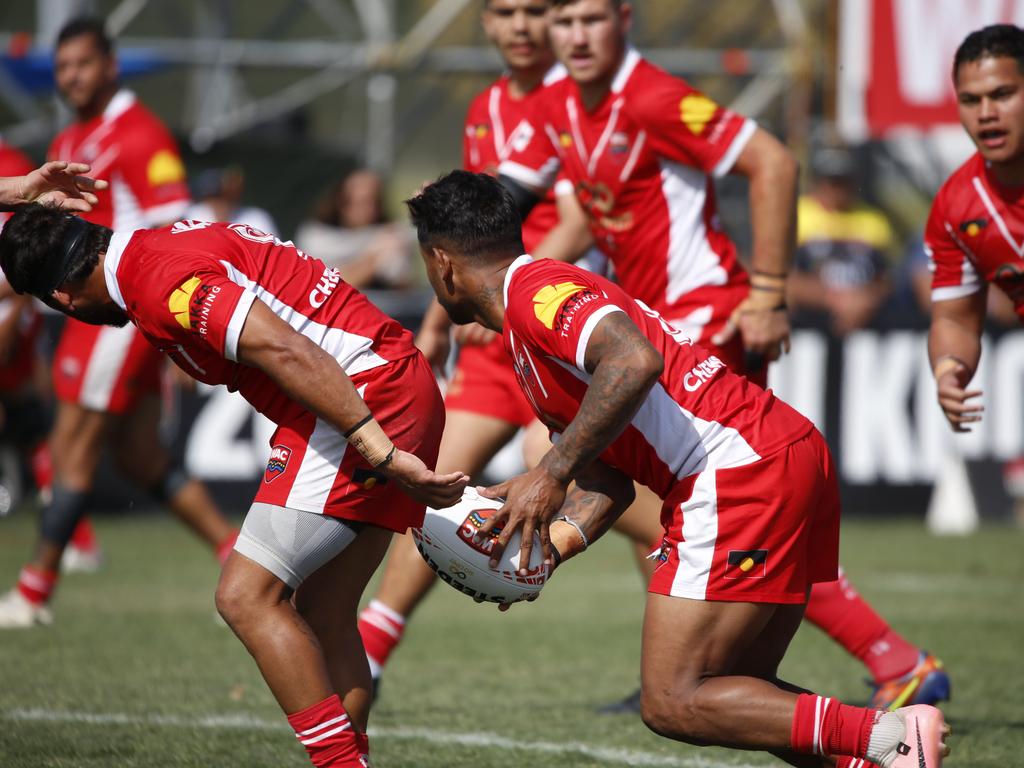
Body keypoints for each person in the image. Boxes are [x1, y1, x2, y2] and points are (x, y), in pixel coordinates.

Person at [407, 169, 950, 768]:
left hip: (738, 470)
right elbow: (609, 480)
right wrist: (545, 553)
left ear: (442, 263)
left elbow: (634, 361)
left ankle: (892, 737)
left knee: (673, 701)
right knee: (741, 694)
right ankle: (881, 756)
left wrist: (549, 472)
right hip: (776, 453)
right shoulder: (525, 325)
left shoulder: (537, 290)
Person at [495, 0, 949, 713]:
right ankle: (723, 665)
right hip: (645, 323)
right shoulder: (561, 103)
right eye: (562, 21)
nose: (573, 36)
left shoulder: (652, 96)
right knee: (680, 492)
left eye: (591, 19)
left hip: (698, 317)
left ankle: (870, 659)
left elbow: (772, 161)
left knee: (676, 484)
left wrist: (768, 291)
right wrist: (503, 288)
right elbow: (586, 209)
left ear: (625, 18)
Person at [0, 204, 469, 767]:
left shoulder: (158, 279)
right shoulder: (161, 245)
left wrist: (376, 445)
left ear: (63, 297)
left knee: (245, 597)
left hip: (360, 399)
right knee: (325, 613)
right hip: (391, 381)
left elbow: (285, 348)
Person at [355, 0, 600, 692]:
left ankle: (875, 647)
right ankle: (370, 648)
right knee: (427, 488)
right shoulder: (487, 105)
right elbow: (463, 236)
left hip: (551, 331)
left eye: (536, 11)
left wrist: (511, 292)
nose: (520, 26)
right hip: (494, 337)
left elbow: (579, 224)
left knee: (630, 499)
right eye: (503, 11)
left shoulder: (573, 99)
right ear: (485, 23)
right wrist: (440, 317)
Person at [0, 17, 238, 627]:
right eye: (62, 69)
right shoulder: (81, 132)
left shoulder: (139, 135)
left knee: (70, 446)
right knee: (139, 459)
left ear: (110, 65)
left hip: (120, 309)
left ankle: (32, 592)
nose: (70, 78)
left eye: (81, 64)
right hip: (91, 309)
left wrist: (177, 324)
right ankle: (240, 558)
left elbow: (177, 225)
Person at [927, 24, 1024, 436]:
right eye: (970, 100)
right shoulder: (955, 209)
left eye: (1002, 95)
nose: (986, 113)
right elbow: (957, 321)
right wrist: (949, 370)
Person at [790, 147, 893, 336]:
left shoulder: (873, 220)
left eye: (843, 181)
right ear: (816, 182)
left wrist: (865, 300)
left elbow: (884, 278)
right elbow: (786, 277)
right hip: (807, 323)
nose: (837, 189)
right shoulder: (797, 214)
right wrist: (836, 300)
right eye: (831, 181)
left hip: (864, 320)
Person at [295, 168, 414, 289]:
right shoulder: (316, 238)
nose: (369, 210)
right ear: (342, 202)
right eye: (362, 202)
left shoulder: (390, 235)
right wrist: (374, 259)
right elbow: (324, 288)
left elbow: (401, 288)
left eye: (374, 202)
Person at [186, 166, 278, 234]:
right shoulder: (191, 216)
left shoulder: (256, 218)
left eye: (222, 195)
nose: (219, 203)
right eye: (213, 197)